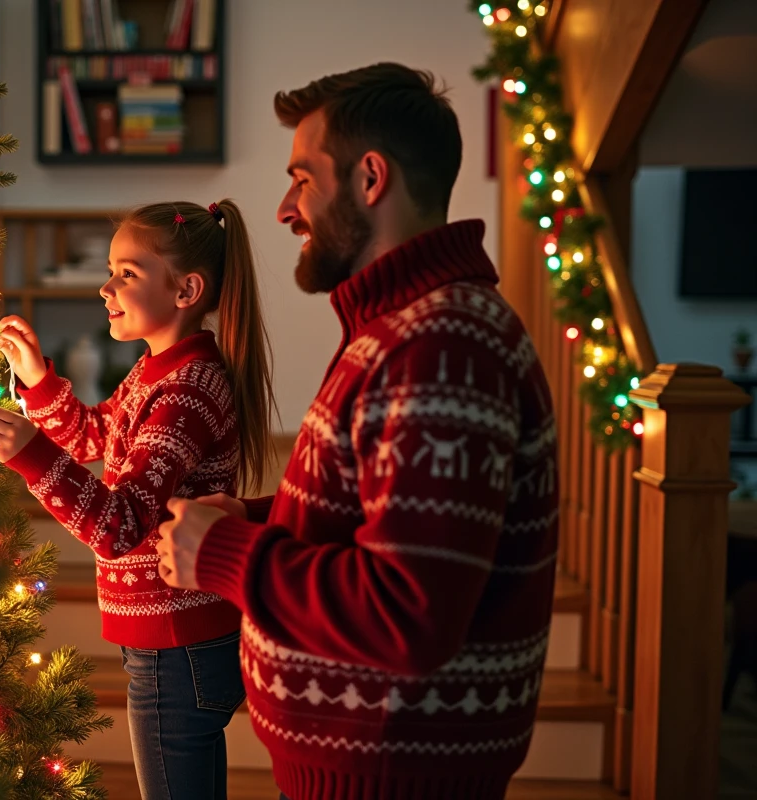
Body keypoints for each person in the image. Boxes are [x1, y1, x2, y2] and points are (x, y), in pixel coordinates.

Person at [156, 64, 560, 800]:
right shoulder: (404, 330)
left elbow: (408, 611)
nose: (284, 209)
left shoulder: (440, 346)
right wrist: (258, 515)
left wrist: (226, 554)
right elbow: (376, 512)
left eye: (302, 179)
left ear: (371, 179)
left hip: (390, 777)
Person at [0, 200, 276, 800]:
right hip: (169, 639)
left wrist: (32, 454)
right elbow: (95, 435)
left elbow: (120, 525)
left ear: (186, 290)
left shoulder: (186, 390)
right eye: (112, 270)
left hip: (178, 643)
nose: (106, 287)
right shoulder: (156, 372)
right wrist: (38, 381)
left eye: (127, 273)